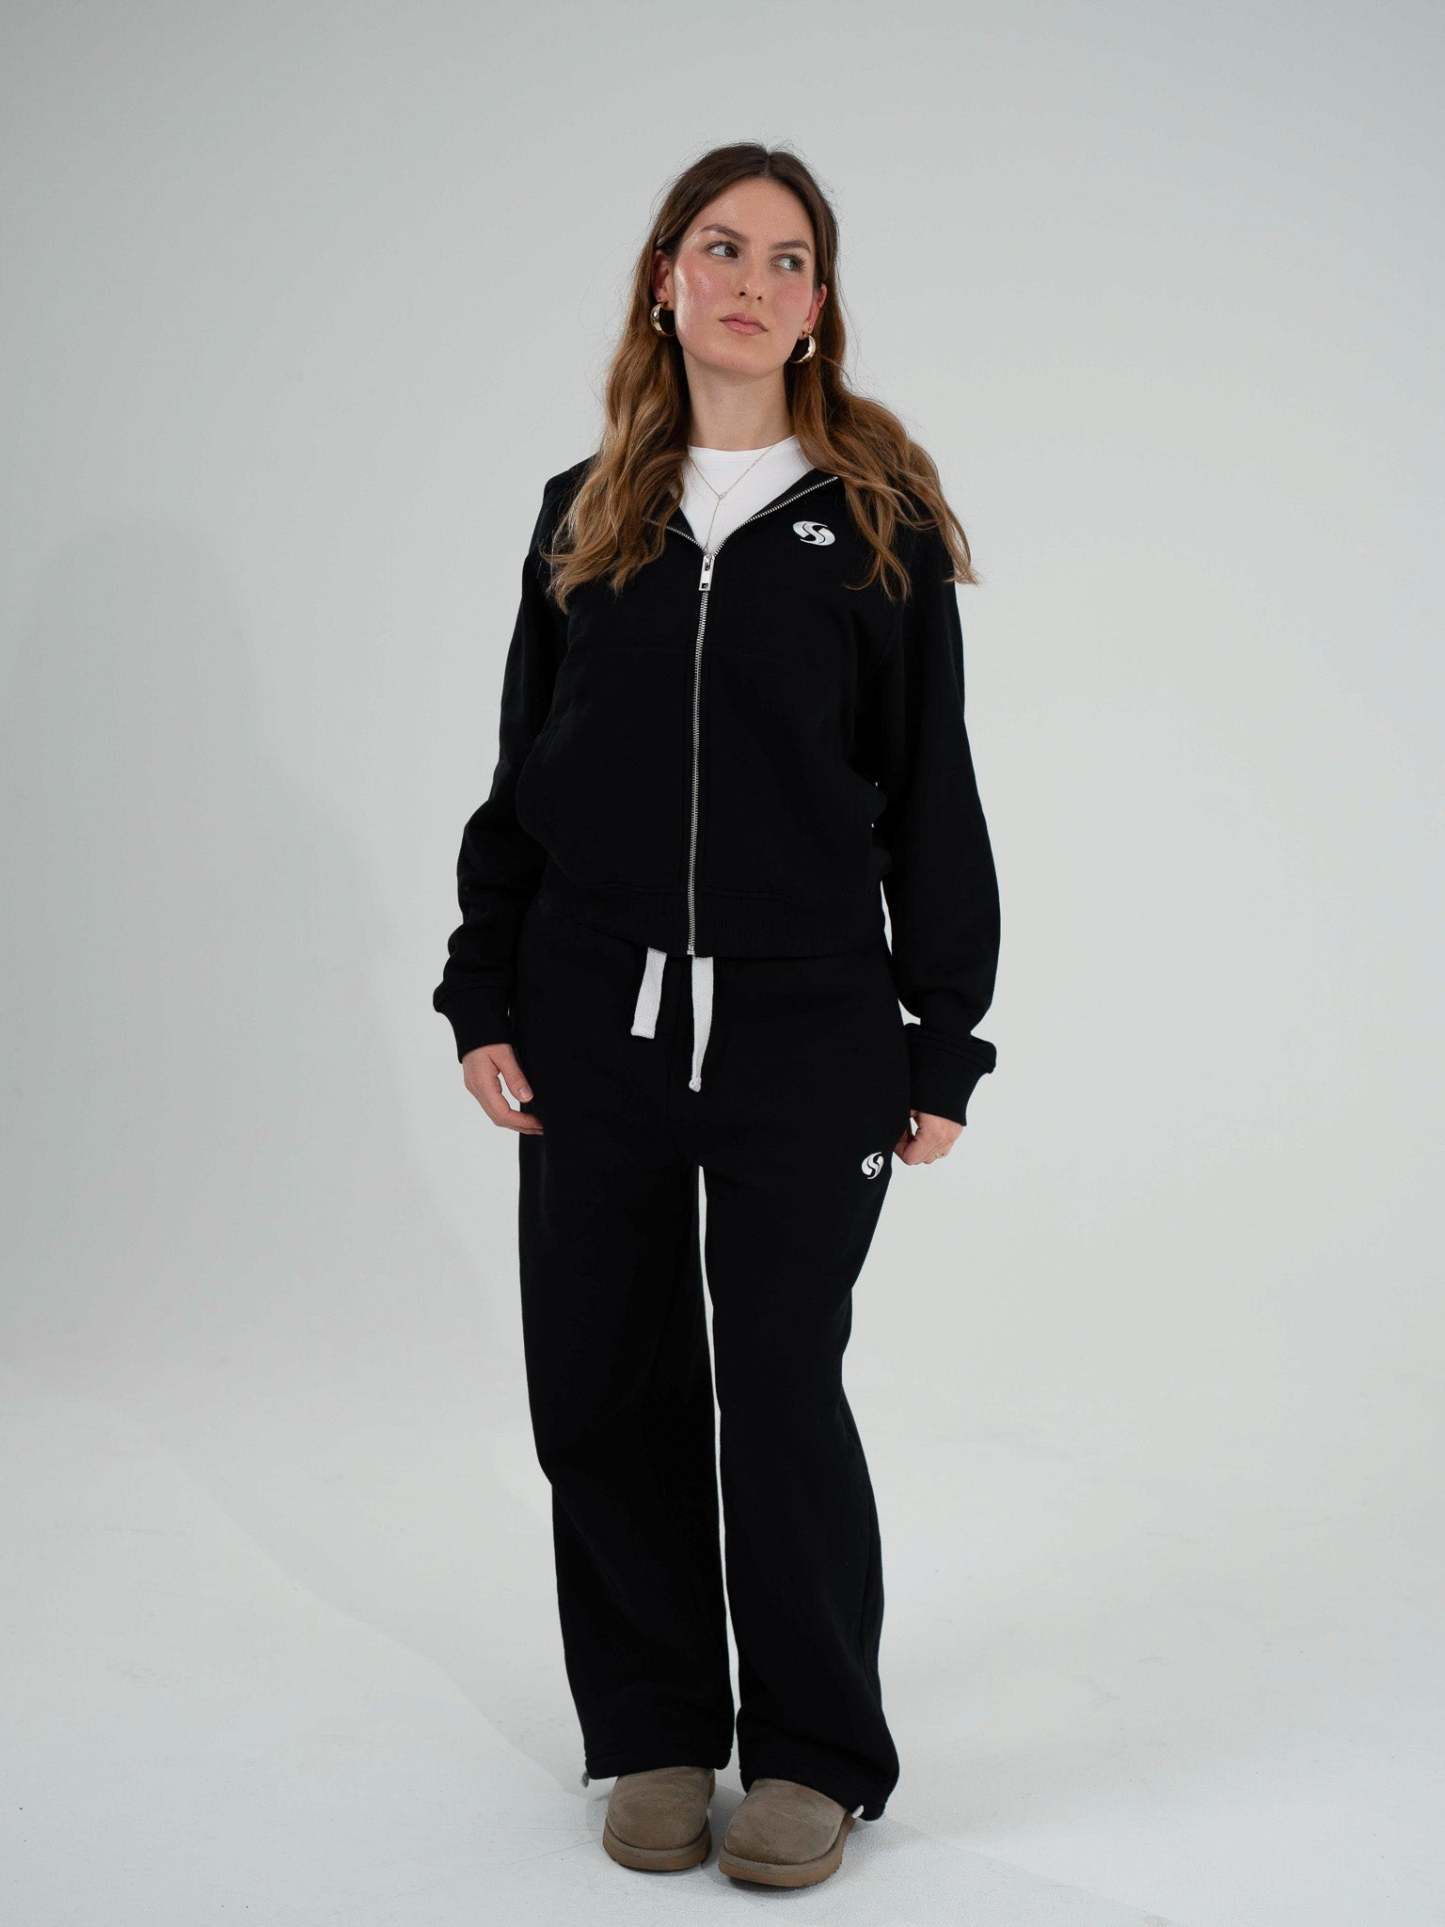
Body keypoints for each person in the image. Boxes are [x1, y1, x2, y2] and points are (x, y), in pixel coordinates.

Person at [432, 141, 1001, 1890]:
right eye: (720, 247)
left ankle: (813, 1750)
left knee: (777, 1384)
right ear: (664, 281)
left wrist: (941, 1034)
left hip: (804, 1029)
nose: (752, 281)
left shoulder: (871, 520)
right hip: (589, 1017)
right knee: (603, 1380)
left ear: (817, 306)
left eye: (787, 258)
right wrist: (482, 987)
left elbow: (929, 793)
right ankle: (658, 1731)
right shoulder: (585, 510)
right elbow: (527, 774)